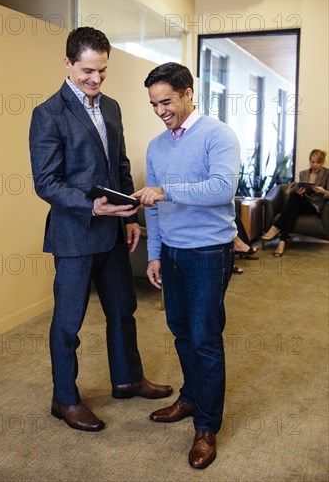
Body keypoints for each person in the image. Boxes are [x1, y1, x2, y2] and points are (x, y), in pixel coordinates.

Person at [29, 27, 172, 433]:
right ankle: (65, 399)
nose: (95, 79)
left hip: (112, 232)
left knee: (123, 311)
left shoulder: (110, 106)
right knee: (68, 323)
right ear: (68, 64)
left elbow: (120, 167)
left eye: (102, 71)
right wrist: (90, 204)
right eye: (88, 71)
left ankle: (127, 380)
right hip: (75, 235)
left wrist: (128, 216)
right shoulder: (48, 113)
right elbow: (46, 181)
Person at [133, 62, 240, 469]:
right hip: (173, 253)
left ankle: (207, 426)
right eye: (153, 104)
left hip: (208, 253)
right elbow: (155, 211)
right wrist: (155, 254)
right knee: (180, 333)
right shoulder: (157, 146)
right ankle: (191, 397)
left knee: (205, 338)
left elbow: (220, 188)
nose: (160, 110)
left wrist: (166, 190)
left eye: (167, 101)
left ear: (188, 93)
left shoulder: (218, 135)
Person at [262, 149, 329, 256]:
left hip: (314, 206)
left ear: (322, 162)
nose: (315, 165)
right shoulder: (304, 173)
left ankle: (275, 227)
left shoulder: (327, 174)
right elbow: (293, 190)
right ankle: (282, 242)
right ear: (309, 161)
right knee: (294, 204)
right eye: (312, 162)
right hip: (302, 202)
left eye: (318, 162)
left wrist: (323, 191)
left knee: (294, 199)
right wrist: (299, 191)